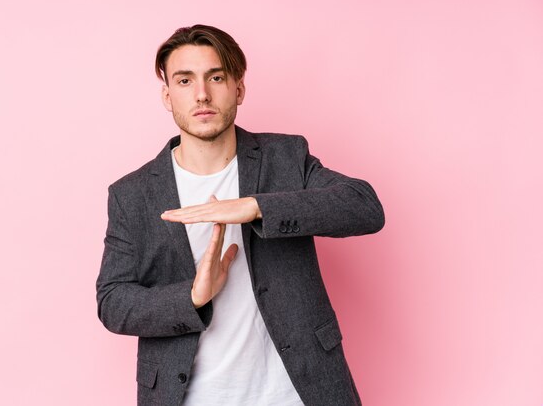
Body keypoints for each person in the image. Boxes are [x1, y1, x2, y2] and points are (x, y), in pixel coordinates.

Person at [96, 24, 384, 406]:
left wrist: (256, 207)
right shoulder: (132, 195)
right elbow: (112, 301)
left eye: (216, 77)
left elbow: (364, 205)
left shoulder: (286, 158)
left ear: (238, 88)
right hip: (191, 396)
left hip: (298, 392)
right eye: (185, 80)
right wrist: (193, 295)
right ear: (167, 95)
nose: (202, 94)